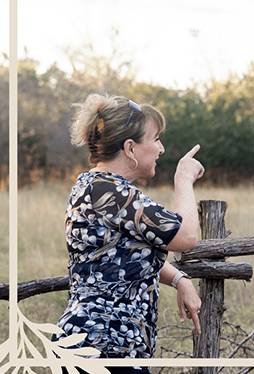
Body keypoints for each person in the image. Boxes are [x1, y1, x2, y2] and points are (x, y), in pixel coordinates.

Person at [55, 94, 204, 373]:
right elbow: (186, 237)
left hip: (91, 344)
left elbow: (118, 257)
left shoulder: (93, 185)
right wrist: (183, 179)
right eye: (155, 138)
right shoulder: (114, 195)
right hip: (106, 348)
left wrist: (179, 278)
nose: (160, 148)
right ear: (130, 148)